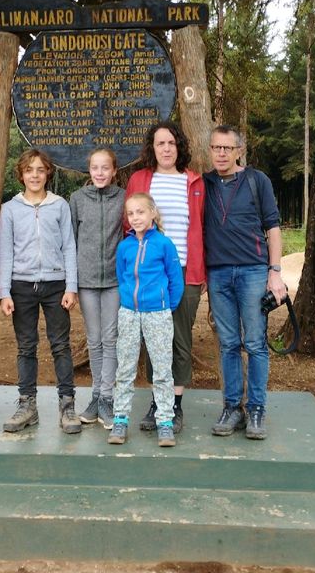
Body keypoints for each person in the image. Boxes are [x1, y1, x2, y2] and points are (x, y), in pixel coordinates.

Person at [203, 125, 287, 440]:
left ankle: (256, 409)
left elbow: (273, 227)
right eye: (216, 148)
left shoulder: (256, 180)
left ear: (239, 150)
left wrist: (274, 271)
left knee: (254, 343)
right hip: (218, 273)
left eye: (227, 148)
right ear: (210, 150)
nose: (221, 154)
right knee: (228, 344)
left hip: (253, 271)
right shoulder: (205, 183)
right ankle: (231, 408)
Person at [125, 120, 205, 433]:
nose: (167, 148)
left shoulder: (195, 182)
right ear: (152, 148)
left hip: (185, 273)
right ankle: (157, 402)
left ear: (179, 147)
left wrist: (202, 274)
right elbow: (129, 226)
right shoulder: (140, 180)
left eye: (172, 143)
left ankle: (175, 406)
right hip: (149, 276)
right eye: (160, 143)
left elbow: (201, 228)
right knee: (154, 342)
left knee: (181, 342)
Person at [0, 149, 82, 434]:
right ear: (21, 174)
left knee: (60, 344)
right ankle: (27, 404)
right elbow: (5, 252)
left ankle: (67, 404)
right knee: (26, 346)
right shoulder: (10, 209)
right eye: (29, 170)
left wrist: (71, 285)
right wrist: (4, 292)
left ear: (48, 173)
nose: (35, 175)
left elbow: (69, 246)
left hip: (55, 284)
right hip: (21, 285)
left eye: (40, 170)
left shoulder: (59, 206)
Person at [108, 193, 184, 448]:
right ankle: (120, 419)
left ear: (152, 213)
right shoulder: (124, 247)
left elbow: (176, 281)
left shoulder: (164, 244)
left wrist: (164, 305)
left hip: (158, 314)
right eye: (131, 214)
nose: (136, 218)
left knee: (162, 369)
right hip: (129, 314)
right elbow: (122, 276)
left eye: (140, 212)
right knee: (125, 368)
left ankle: (165, 422)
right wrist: (128, 301)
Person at [69, 149, 125, 429]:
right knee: (94, 340)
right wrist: (71, 283)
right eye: (95, 168)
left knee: (111, 338)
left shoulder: (123, 198)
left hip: (114, 281)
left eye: (105, 168)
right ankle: (95, 396)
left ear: (114, 170)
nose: (100, 173)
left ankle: (107, 398)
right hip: (86, 281)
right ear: (88, 171)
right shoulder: (77, 200)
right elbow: (70, 242)